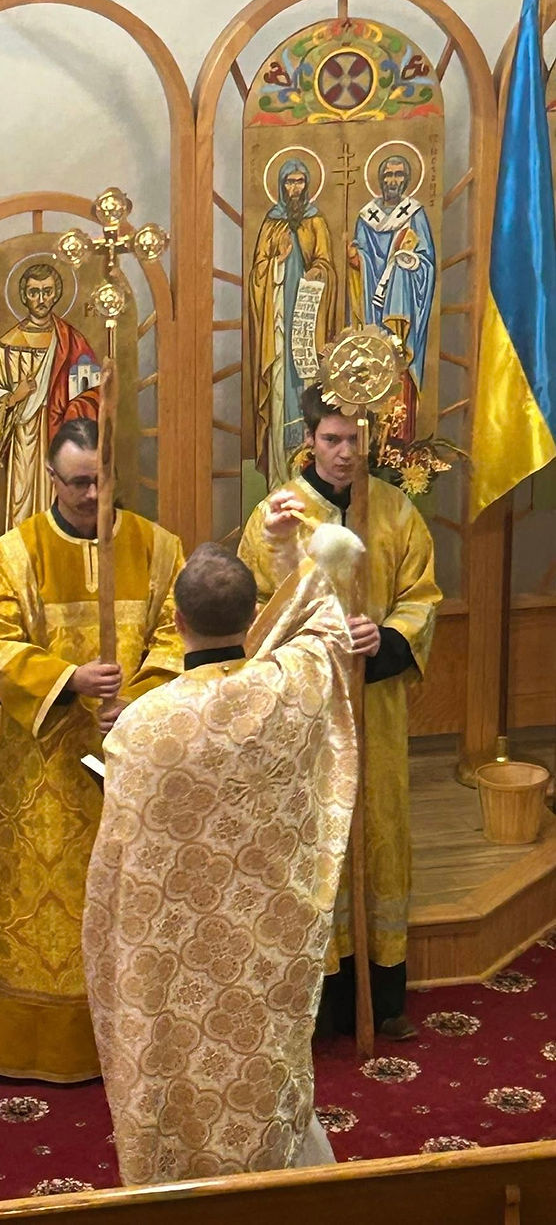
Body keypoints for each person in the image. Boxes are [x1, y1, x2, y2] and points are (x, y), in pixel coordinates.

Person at [84, 535, 359, 1184]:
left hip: (176, 948)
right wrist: (294, 546)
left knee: (179, 1069)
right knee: (263, 1063)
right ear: (252, 614)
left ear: (177, 620)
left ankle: (177, 1185)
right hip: (267, 938)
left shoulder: (144, 725)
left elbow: (120, 857)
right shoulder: (293, 686)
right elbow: (325, 621)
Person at [0, 418, 184, 1081]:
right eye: (77, 482)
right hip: (44, 767)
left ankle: (141, 1035)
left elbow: (180, 630)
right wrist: (67, 678)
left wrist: (139, 696)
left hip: (133, 758)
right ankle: (29, 1039)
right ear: (51, 478)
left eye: (100, 479)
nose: (90, 494)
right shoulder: (15, 553)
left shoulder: (158, 547)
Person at [238, 385, 441, 1040]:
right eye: (332, 439)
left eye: (355, 439)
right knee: (313, 840)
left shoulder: (396, 511)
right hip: (308, 711)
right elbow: (252, 609)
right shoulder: (278, 515)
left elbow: (422, 595)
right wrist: (312, 640)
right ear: (309, 438)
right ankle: (319, 1006)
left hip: (375, 707)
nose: (345, 452)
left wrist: (387, 638)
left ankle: (382, 996)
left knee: (378, 835)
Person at [0, 262, 100, 554]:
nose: (41, 299)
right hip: (21, 442)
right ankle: (21, 560)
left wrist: (71, 411)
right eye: (34, 292)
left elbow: (94, 393)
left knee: (59, 495)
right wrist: (14, 397)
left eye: (47, 292)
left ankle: (61, 554)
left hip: (62, 438)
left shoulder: (72, 342)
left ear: (56, 294)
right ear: (24, 296)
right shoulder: (7, 345)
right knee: (21, 499)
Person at [249, 158, 337, 488]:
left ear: (307, 184)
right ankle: (280, 479)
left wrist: (318, 272)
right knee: (279, 394)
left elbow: (327, 267)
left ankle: (312, 479)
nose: (295, 188)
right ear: (281, 185)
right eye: (289, 182)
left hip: (306, 328)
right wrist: (278, 263)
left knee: (308, 391)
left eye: (300, 181)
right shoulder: (271, 224)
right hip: (278, 328)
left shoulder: (316, 221)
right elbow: (257, 277)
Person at [349, 154, 436, 438]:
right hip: (373, 310)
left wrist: (408, 263)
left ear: (406, 179)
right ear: (380, 179)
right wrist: (357, 259)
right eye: (388, 174)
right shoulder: (367, 216)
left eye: (398, 174)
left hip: (402, 313)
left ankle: (399, 442)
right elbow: (363, 255)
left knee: (399, 370)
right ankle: (372, 442)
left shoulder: (414, 214)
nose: (393, 180)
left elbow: (427, 264)